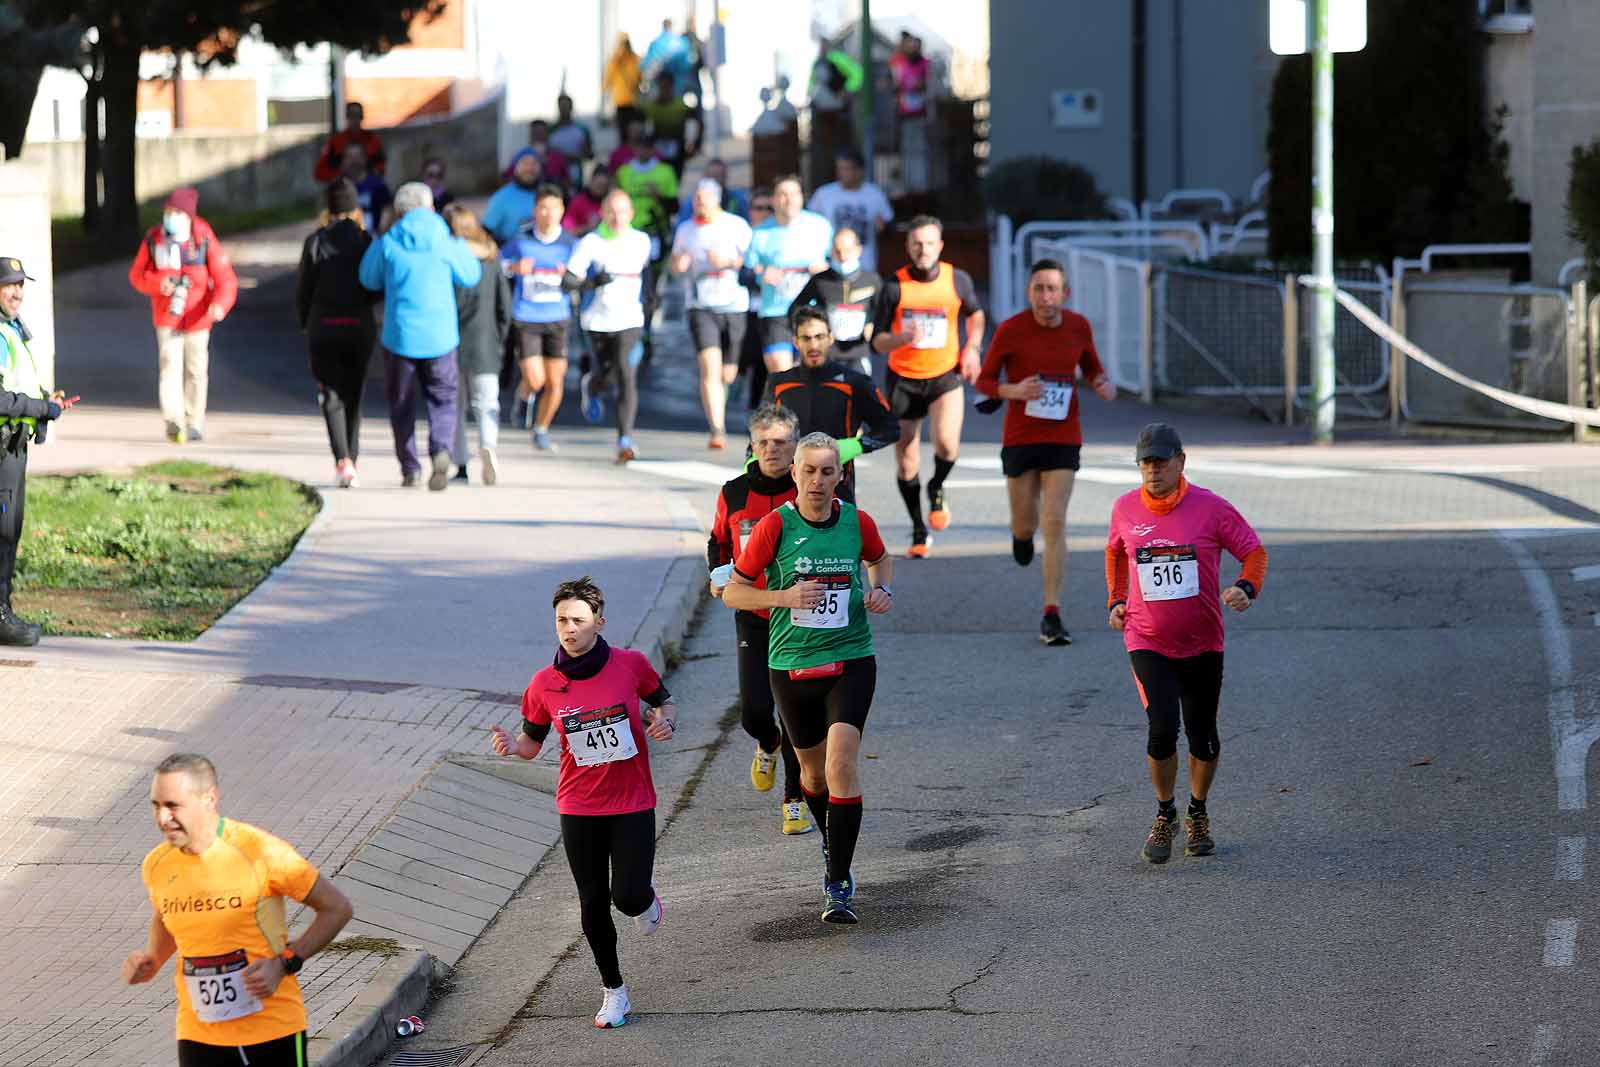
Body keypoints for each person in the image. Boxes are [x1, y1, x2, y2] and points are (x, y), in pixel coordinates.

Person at [490, 577, 676, 1029]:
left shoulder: (630, 665)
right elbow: (532, 743)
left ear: (599, 622)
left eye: (577, 620)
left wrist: (664, 722)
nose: (568, 629)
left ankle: (646, 904)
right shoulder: (544, 684)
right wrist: (513, 748)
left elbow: (663, 702)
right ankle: (615, 991)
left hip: (631, 800)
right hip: (578, 805)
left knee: (627, 896)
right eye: (561, 620)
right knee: (592, 902)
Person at [724, 432, 893, 925]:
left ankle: (838, 881)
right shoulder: (775, 526)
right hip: (791, 665)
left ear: (840, 475)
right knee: (813, 776)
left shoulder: (857, 521)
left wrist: (882, 589)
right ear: (794, 474)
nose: (817, 481)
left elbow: (879, 558)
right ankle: (831, 843)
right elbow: (734, 593)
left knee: (841, 766)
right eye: (809, 471)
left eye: (827, 471)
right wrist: (783, 599)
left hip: (851, 658)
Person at [124, 753, 354, 1066]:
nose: (163, 818)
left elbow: (337, 908)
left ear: (209, 799)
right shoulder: (157, 864)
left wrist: (285, 961)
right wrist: (151, 958)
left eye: (173, 805)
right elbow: (167, 916)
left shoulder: (260, 851)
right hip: (198, 1033)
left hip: (270, 1029)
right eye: (156, 805)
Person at [1105, 423, 1268, 864]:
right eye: (1145, 462)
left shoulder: (1211, 509)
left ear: (1181, 461)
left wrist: (1246, 588)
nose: (1152, 470)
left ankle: (1197, 810)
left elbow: (1254, 552)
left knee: (1203, 738)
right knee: (1161, 729)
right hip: (1146, 637)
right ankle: (1165, 813)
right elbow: (1117, 551)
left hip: (1202, 642)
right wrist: (1117, 599)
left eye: (1160, 461)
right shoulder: (1124, 508)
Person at [976, 258, 1117, 645]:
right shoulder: (1011, 329)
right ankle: (1021, 537)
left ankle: (1051, 612)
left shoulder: (1078, 326)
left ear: (1065, 294)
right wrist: (1015, 391)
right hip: (1021, 437)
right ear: (1029, 293)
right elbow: (985, 381)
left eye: (1052, 288)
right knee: (1026, 524)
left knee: (1054, 521)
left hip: (1063, 437)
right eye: (1038, 288)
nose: (1045, 296)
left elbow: (1091, 367)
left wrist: (1101, 382)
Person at [706, 405, 811, 835]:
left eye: (782, 442)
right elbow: (718, 542)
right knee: (754, 712)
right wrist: (717, 574)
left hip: (798, 615)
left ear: (795, 448)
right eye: (764, 442)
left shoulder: (806, 490)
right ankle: (767, 742)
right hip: (751, 611)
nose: (772, 449)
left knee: (794, 712)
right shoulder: (732, 492)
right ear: (752, 446)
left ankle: (794, 798)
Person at [870, 215, 984, 558]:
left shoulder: (956, 279)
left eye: (930, 243)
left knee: (948, 445)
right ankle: (919, 529)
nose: (923, 250)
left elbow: (975, 315)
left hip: (944, 375)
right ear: (908, 247)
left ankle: (937, 485)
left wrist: (973, 348)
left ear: (940, 246)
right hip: (904, 378)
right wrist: (900, 338)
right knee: (906, 461)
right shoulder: (894, 286)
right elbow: (876, 341)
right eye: (917, 243)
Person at [358, 182, 483, 489]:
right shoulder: (446, 238)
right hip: (441, 336)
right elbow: (470, 275)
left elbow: (367, 278)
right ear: (430, 207)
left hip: (399, 336)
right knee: (443, 398)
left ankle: (410, 466)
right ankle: (441, 449)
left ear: (399, 210)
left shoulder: (388, 241)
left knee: (401, 403)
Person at [128, 186, 237, 444]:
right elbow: (136, 276)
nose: (171, 216)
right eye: (168, 211)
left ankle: (194, 421)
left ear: (189, 215)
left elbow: (226, 279)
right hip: (167, 316)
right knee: (169, 367)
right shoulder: (154, 239)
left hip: (199, 317)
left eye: (176, 212)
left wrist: (219, 305)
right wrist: (158, 283)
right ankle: (173, 421)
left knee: (196, 370)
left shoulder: (204, 238)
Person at [0, 257, 69, 646]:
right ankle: (0, 618)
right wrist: (40, 408)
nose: (17, 292)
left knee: (9, 533)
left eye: (21, 285)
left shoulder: (12, 329)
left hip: (14, 449)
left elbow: (17, 386)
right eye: (9, 285)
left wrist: (45, 400)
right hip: (1, 453)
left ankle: (3, 611)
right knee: (3, 534)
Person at [762, 305, 896, 504]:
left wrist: (854, 446)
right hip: (787, 494)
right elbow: (761, 433)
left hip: (838, 495)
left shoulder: (854, 383)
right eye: (806, 338)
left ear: (830, 339)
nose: (814, 345)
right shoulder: (778, 383)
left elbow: (891, 429)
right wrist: (752, 465)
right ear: (796, 342)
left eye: (819, 337)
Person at [295, 180, 378, 488]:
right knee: (354, 394)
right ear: (355, 208)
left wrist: (305, 322)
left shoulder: (315, 242)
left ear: (328, 209)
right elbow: (374, 284)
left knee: (331, 394)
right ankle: (352, 459)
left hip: (324, 327)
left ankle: (342, 460)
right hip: (358, 327)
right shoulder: (366, 241)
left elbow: (304, 287)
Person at [563, 189, 652, 464]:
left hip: (630, 319)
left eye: (622, 211)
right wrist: (593, 282)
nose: (616, 217)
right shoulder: (590, 242)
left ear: (631, 214)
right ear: (602, 212)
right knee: (607, 374)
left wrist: (650, 305)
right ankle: (593, 385)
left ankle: (625, 438)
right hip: (597, 319)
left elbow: (647, 277)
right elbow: (568, 281)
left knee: (626, 372)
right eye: (611, 211)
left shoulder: (642, 241)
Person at [670, 177, 752, 449]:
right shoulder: (685, 230)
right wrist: (678, 264)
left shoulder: (736, 226)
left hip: (734, 304)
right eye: (696, 200)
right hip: (700, 305)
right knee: (709, 368)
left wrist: (727, 261)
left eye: (704, 200)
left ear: (717, 200)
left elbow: (752, 261)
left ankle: (731, 385)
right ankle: (717, 429)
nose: (699, 205)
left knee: (727, 374)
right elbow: (675, 263)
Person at [501, 184, 577, 452]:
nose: (548, 214)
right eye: (543, 208)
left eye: (553, 208)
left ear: (562, 211)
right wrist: (514, 267)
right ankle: (524, 395)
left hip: (558, 317)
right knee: (536, 380)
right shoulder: (521, 239)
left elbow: (582, 276)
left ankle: (542, 428)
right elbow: (500, 263)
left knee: (556, 382)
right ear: (535, 210)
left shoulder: (570, 242)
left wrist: (569, 275)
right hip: (527, 316)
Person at [443, 204, 512, 485]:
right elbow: (504, 308)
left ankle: (460, 464)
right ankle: (488, 444)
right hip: (486, 341)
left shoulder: (446, 261)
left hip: (451, 341)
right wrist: (501, 339)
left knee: (455, 406)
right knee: (487, 403)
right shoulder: (492, 260)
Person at [745, 175, 832, 374]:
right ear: (774, 200)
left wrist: (825, 268)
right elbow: (747, 271)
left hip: (811, 311)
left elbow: (838, 261)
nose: (789, 199)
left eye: (794, 194)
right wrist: (762, 274)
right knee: (780, 370)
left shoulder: (821, 227)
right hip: (775, 311)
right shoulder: (760, 233)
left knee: (811, 371)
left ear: (802, 197)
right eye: (782, 194)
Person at [792, 225, 881, 377]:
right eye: (837, 251)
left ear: (858, 250)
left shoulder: (872, 281)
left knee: (859, 396)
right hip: (827, 352)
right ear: (831, 251)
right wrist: (809, 332)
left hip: (858, 352)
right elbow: (795, 310)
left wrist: (873, 324)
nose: (842, 256)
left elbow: (884, 312)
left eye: (847, 250)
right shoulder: (820, 280)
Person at [807, 151, 893, 275]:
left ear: (860, 171)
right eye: (840, 168)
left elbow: (889, 225)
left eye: (846, 168)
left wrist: (883, 227)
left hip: (865, 264)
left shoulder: (874, 194)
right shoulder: (823, 194)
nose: (842, 173)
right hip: (833, 263)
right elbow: (809, 224)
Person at [890, 34, 932, 193]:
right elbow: (897, 83)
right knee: (906, 150)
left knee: (919, 150)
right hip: (904, 113)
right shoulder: (901, 63)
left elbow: (926, 85)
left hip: (920, 114)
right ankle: (908, 183)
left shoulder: (926, 64)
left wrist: (918, 86)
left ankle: (920, 183)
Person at [639, 71, 701, 178]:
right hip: (655, 150)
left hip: (678, 150)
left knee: (675, 177)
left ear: (671, 86)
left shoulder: (681, 107)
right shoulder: (649, 108)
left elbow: (695, 125)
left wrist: (693, 145)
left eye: (667, 86)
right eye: (662, 87)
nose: (664, 90)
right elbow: (641, 128)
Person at [313, 100, 385, 183]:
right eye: (352, 115)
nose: (355, 119)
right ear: (347, 117)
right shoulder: (336, 142)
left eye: (358, 115)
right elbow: (320, 171)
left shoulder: (372, 140)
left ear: (362, 117)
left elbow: (380, 167)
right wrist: (338, 178)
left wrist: (370, 179)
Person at [483, 148, 544, 245]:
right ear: (515, 168)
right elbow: (485, 231)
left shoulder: (548, 194)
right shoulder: (502, 197)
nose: (529, 168)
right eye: (524, 163)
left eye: (534, 163)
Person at [337, 141, 392, 236]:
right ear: (344, 160)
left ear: (365, 158)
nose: (354, 161)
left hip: (372, 238)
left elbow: (387, 209)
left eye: (357, 157)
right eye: (350, 157)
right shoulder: (338, 187)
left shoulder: (377, 185)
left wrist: (381, 232)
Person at [675, 158, 749, 225]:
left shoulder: (738, 200)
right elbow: (681, 226)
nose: (714, 180)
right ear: (704, 177)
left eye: (718, 176)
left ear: (726, 177)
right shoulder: (693, 202)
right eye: (710, 176)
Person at [550, 94, 595, 185]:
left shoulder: (582, 130)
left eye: (566, 106)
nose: (564, 110)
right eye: (562, 106)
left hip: (578, 175)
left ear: (571, 107)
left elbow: (590, 154)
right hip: (556, 177)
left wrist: (578, 157)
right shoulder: (551, 130)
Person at [603, 33, 643, 133]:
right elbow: (640, 78)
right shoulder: (633, 59)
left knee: (625, 131)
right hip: (631, 100)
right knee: (631, 131)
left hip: (622, 100)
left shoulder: (615, 60)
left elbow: (607, 80)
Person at [524, 120, 572, 192]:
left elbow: (567, 182)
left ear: (548, 134)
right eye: (535, 132)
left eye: (541, 132)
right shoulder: (521, 156)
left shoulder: (558, 156)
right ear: (530, 134)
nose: (538, 136)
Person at [565, 166, 610, 236]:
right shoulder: (578, 202)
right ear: (591, 181)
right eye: (599, 185)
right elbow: (568, 232)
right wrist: (588, 228)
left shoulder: (610, 203)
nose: (601, 190)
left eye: (604, 186)